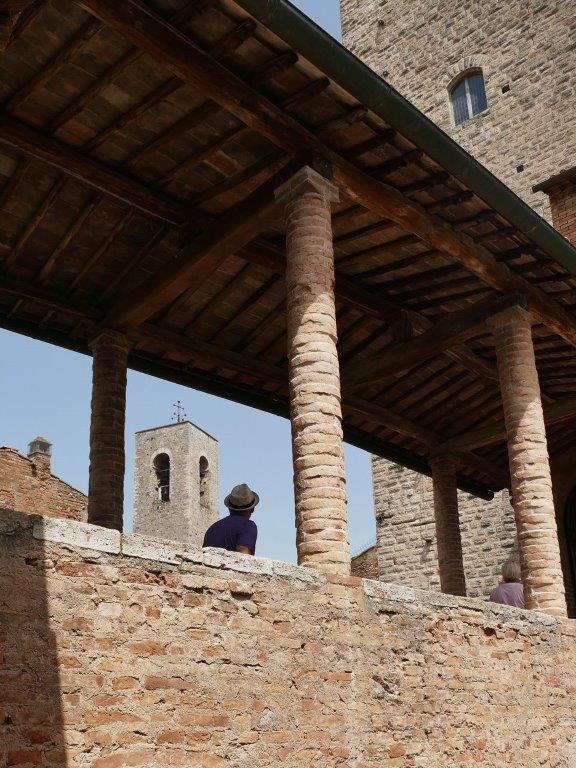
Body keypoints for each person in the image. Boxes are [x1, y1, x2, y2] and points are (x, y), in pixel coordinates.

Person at [202, 483, 259, 555]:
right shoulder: (248, 526)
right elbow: (243, 556)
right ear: (252, 509)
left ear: (229, 508)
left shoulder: (213, 528)